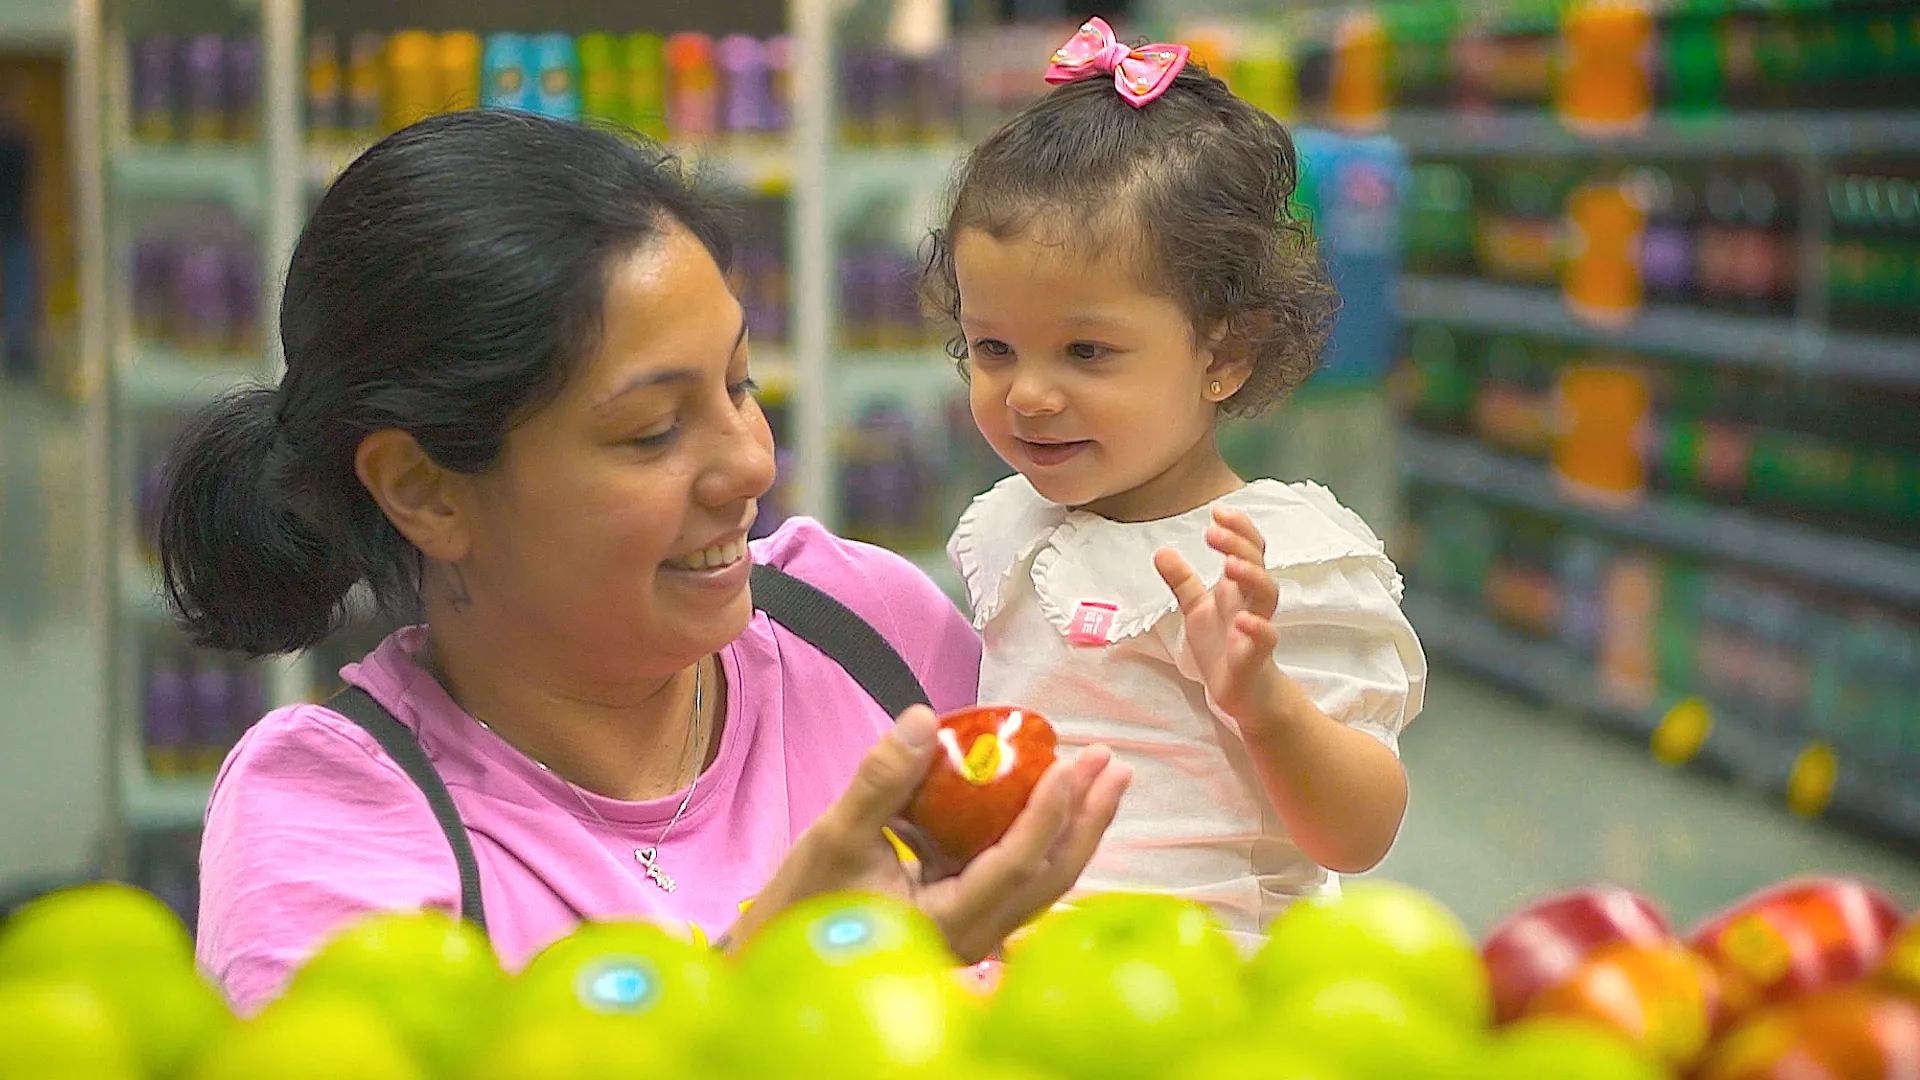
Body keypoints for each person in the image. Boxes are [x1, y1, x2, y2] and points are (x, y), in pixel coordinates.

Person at [156, 108, 1130, 1015]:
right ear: (423, 488)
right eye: (653, 431)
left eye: (741, 384)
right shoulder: (334, 820)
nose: (752, 462)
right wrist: (770, 980)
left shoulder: (867, 631)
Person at [921, 19, 1426, 950]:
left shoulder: (1274, 563)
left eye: (1086, 351)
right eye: (993, 347)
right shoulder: (1011, 528)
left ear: (1223, 354)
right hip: (1023, 978)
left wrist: (1264, 702)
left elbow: (1359, 834)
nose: (1027, 393)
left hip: (1204, 992)